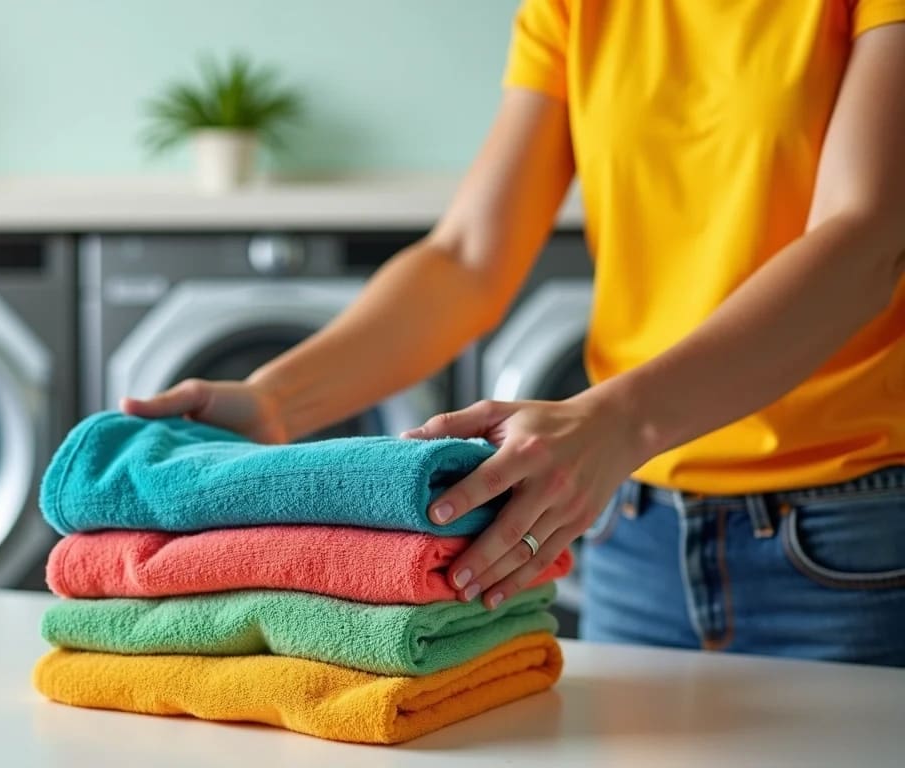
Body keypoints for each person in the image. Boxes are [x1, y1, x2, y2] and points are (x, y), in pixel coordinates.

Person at [122, 1, 905, 666]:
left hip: (852, 540)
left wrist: (618, 421)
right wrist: (276, 401)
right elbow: (467, 257)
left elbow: (867, 236)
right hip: (637, 534)